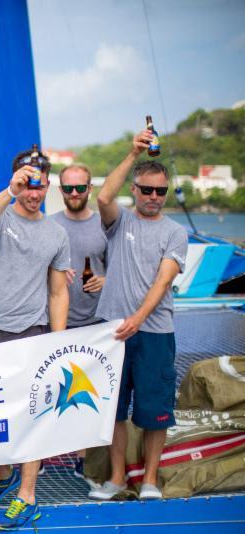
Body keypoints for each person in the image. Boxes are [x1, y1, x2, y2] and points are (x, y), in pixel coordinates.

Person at [0, 149, 70, 530]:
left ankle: (27, 495)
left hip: (32, 333)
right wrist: (7, 192)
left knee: (33, 415)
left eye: (39, 185)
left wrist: (58, 344)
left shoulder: (57, 234)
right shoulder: (0, 213)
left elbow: (59, 292)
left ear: (47, 185)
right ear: (16, 180)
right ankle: (1, 472)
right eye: (26, 183)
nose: (33, 192)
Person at [89, 130, 188, 501]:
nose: (152, 197)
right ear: (135, 189)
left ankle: (149, 479)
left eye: (159, 191)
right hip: (113, 331)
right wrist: (132, 153)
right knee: (113, 409)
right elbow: (101, 196)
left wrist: (138, 319)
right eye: (146, 190)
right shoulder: (120, 223)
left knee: (153, 410)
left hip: (155, 332)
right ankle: (116, 478)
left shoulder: (176, 232)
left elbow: (163, 282)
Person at [48, 163, 107, 479]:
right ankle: (43, 454)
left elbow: (118, 269)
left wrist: (105, 279)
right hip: (55, 320)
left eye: (80, 188)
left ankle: (83, 456)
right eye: (68, 188)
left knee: (87, 393)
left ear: (89, 189)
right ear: (60, 191)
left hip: (94, 320)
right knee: (49, 389)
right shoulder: (49, 225)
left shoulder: (103, 226)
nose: (74, 193)